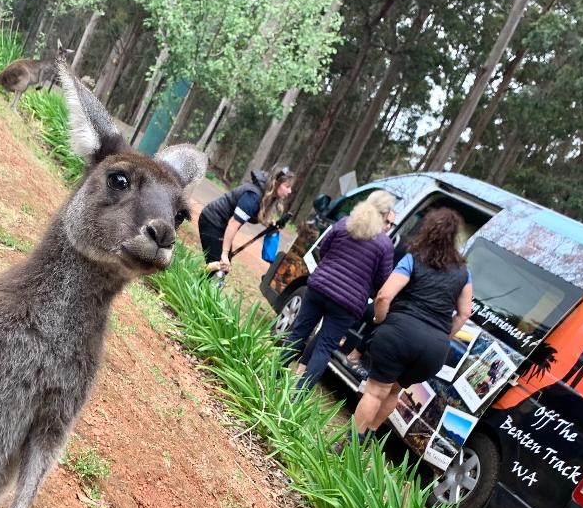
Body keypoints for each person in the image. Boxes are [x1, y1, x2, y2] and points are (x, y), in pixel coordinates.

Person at [352, 207, 473, 441]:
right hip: (434, 349)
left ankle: (350, 444)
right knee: (394, 391)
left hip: (399, 333)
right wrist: (442, 335)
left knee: (376, 392)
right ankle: (368, 441)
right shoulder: (463, 273)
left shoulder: (414, 259)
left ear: (428, 230)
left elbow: (384, 296)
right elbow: (464, 312)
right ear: (453, 237)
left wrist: (380, 320)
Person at [284, 190, 396, 388]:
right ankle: (296, 397)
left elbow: (324, 248)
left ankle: (271, 375)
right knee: (324, 347)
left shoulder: (345, 223)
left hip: (319, 288)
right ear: (386, 214)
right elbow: (383, 280)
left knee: (298, 332)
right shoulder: (385, 244)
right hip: (347, 304)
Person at [197, 166, 294, 275]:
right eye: (287, 186)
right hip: (212, 221)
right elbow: (233, 224)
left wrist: (270, 224)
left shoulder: (263, 196)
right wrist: (224, 254)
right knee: (220, 269)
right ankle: (192, 285)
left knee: (219, 269)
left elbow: (254, 216)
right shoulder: (254, 196)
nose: (290, 191)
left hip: (220, 225)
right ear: (276, 183)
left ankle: (195, 283)